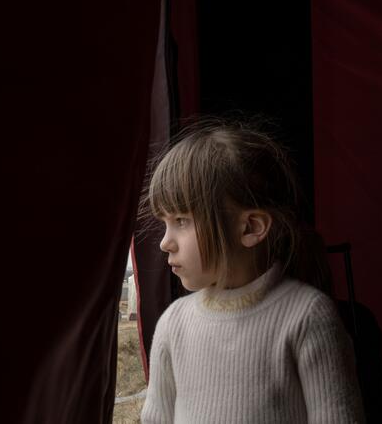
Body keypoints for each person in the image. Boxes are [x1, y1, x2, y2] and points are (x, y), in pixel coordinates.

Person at [136, 115, 366, 423]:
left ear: (250, 227)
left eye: (181, 221)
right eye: (165, 223)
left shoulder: (307, 318)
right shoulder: (173, 324)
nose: (165, 243)